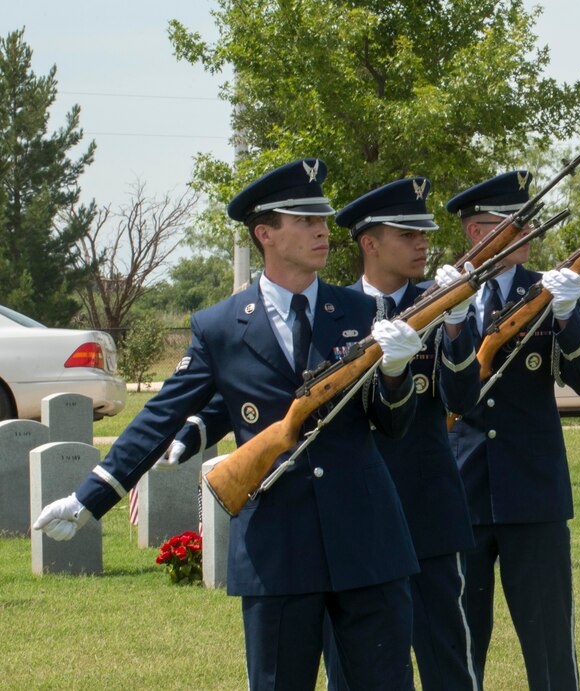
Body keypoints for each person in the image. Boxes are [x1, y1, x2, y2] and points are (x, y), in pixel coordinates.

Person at [33, 159, 424, 690]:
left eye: (323, 220)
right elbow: (159, 417)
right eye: (304, 221)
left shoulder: (359, 310)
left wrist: (396, 373)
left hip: (367, 539)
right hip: (277, 549)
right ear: (265, 233)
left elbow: (391, 425)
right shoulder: (219, 325)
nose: (321, 231)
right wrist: (89, 498)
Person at [446, 171, 580, 689]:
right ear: (477, 233)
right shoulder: (440, 298)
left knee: (550, 645)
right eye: (514, 225)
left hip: (533, 495)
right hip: (460, 495)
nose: (528, 235)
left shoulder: (547, 292)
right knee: (461, 645)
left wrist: (566, 317)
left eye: (529, 225)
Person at [321, 177, 481, 689]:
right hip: (354, 515)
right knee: (354, 668)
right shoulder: (331, 313)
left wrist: (456, 326)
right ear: (369, 243)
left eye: (424, 232)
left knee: (445, 660)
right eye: (407, 233)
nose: (422, 243)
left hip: (424, 507)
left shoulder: (443, 303)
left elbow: (463, 400)